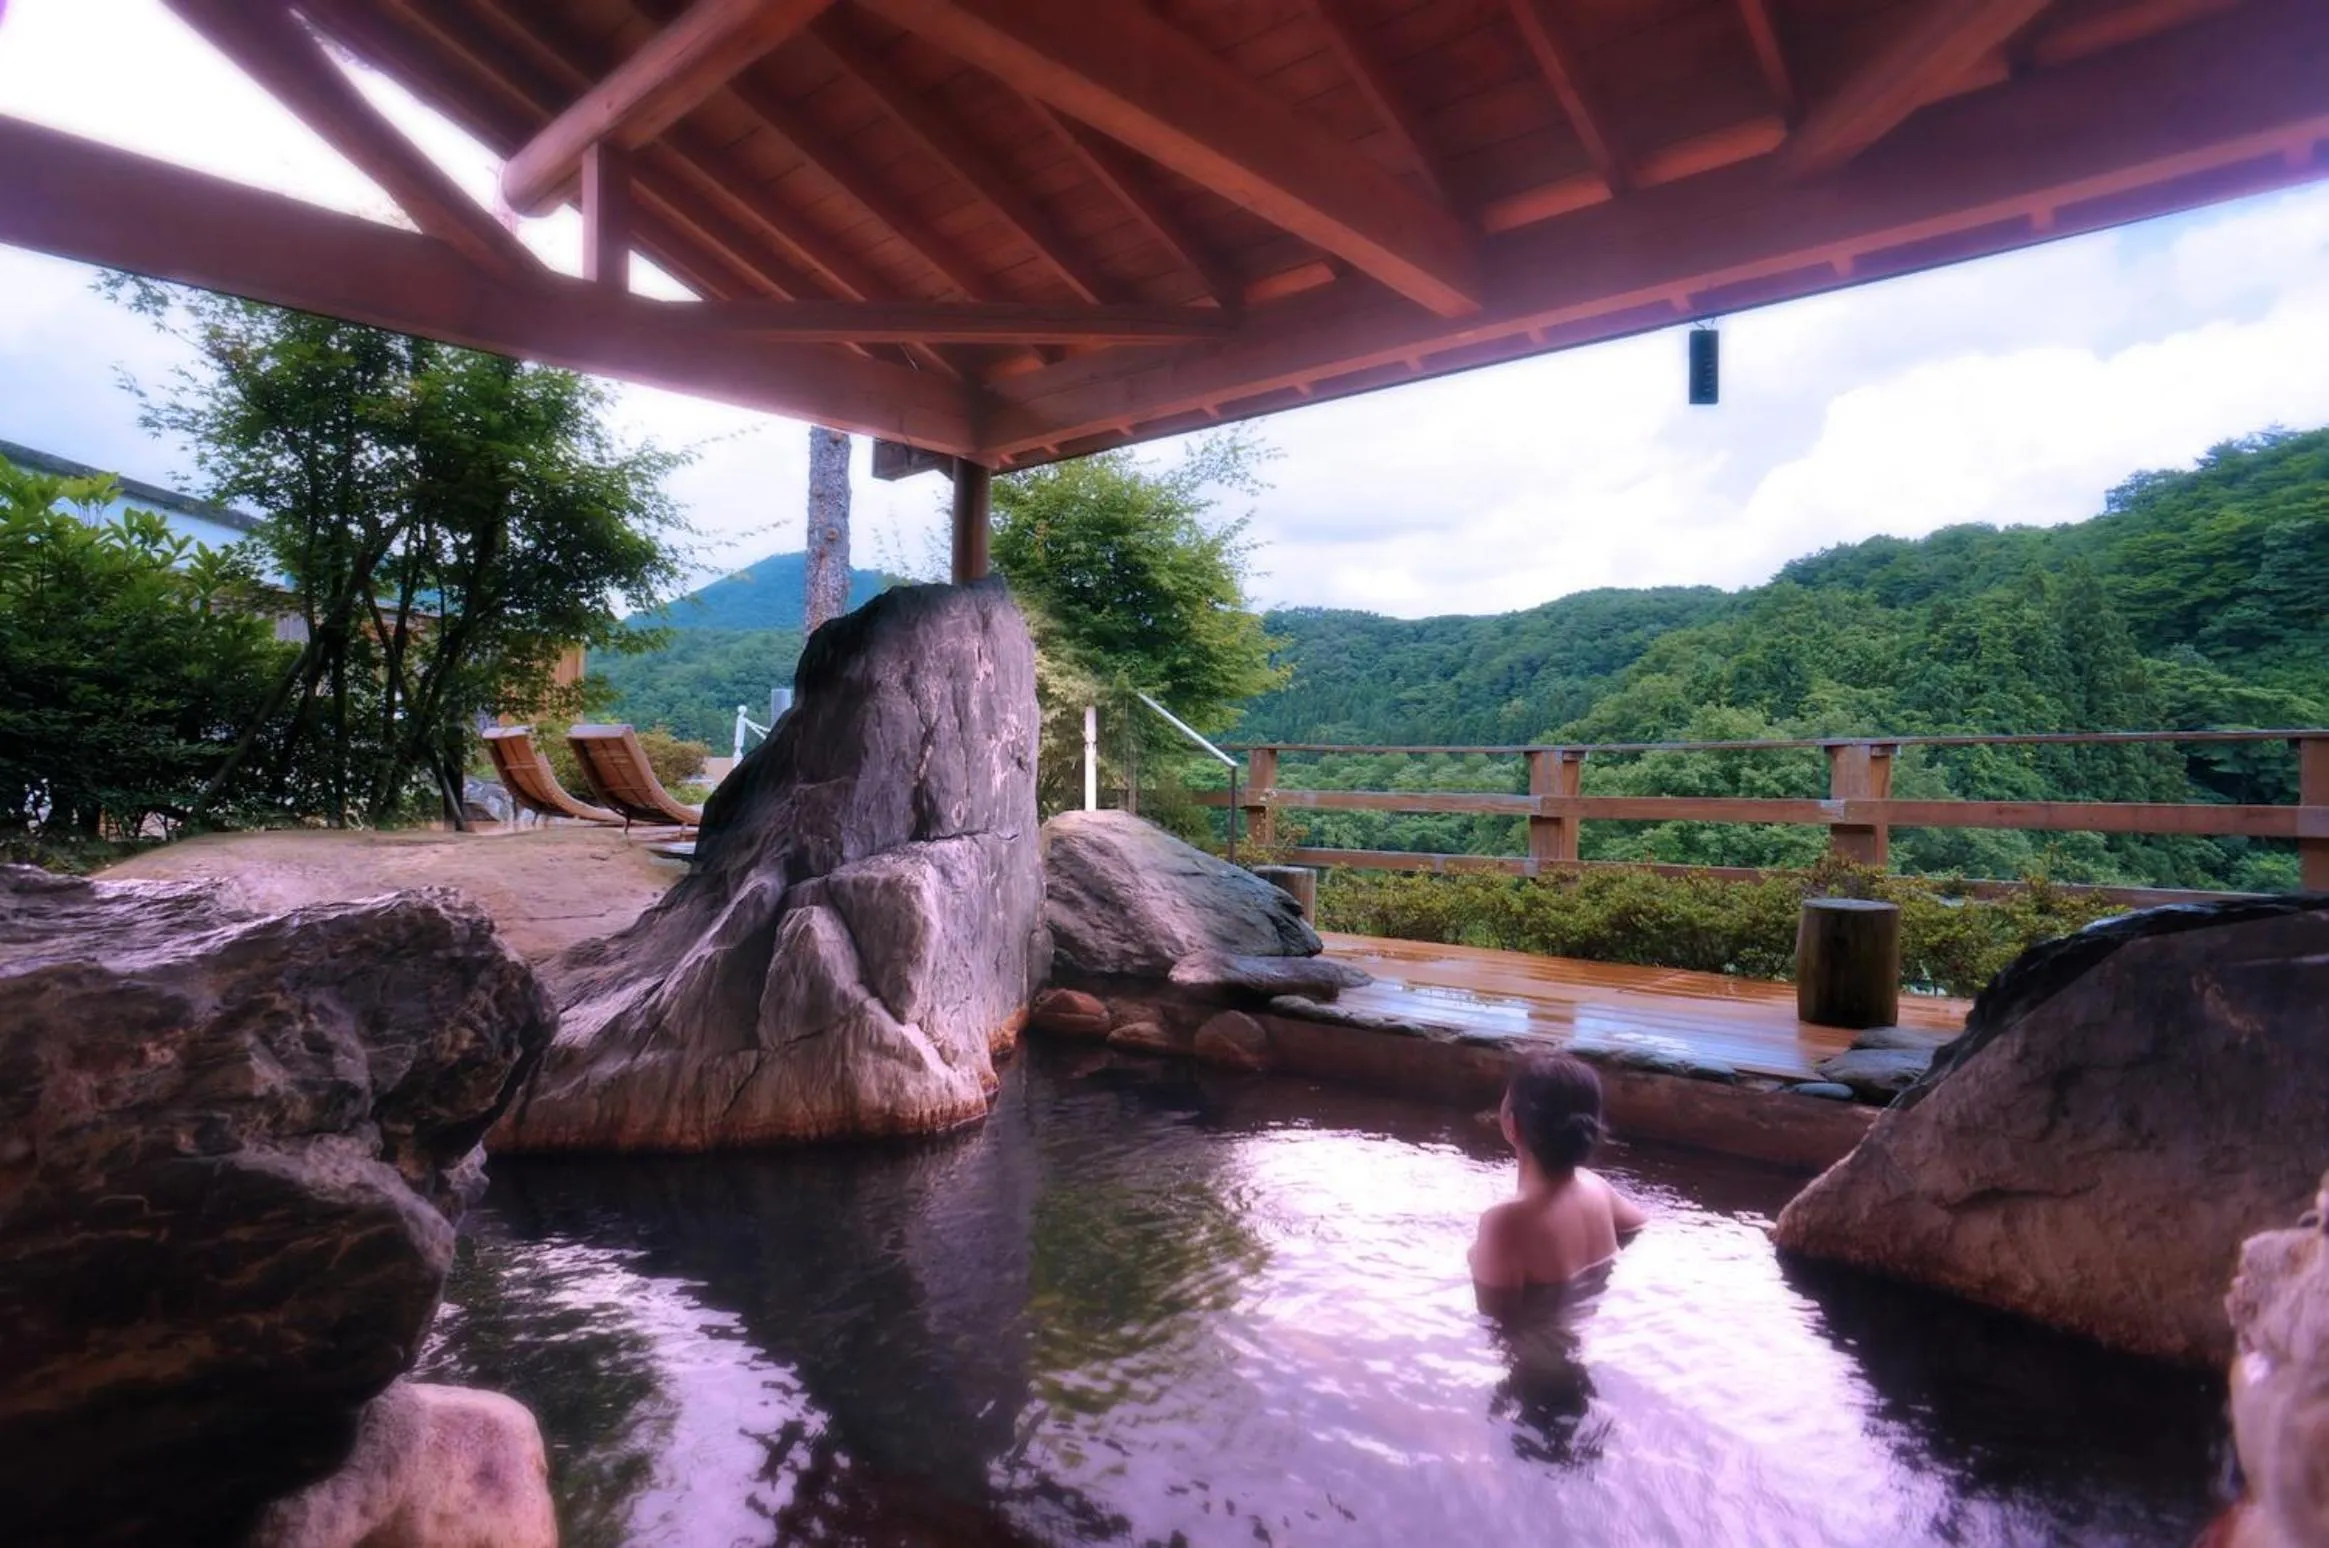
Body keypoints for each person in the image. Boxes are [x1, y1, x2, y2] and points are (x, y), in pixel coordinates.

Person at [1469, 1053, 1646, 1308]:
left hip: (1536, 1344)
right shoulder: (1596, 1188)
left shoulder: (1504, 1223)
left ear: (1511, 1125)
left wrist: (1476, 1254)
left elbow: (1497, 1320)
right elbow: (1638, 1227)